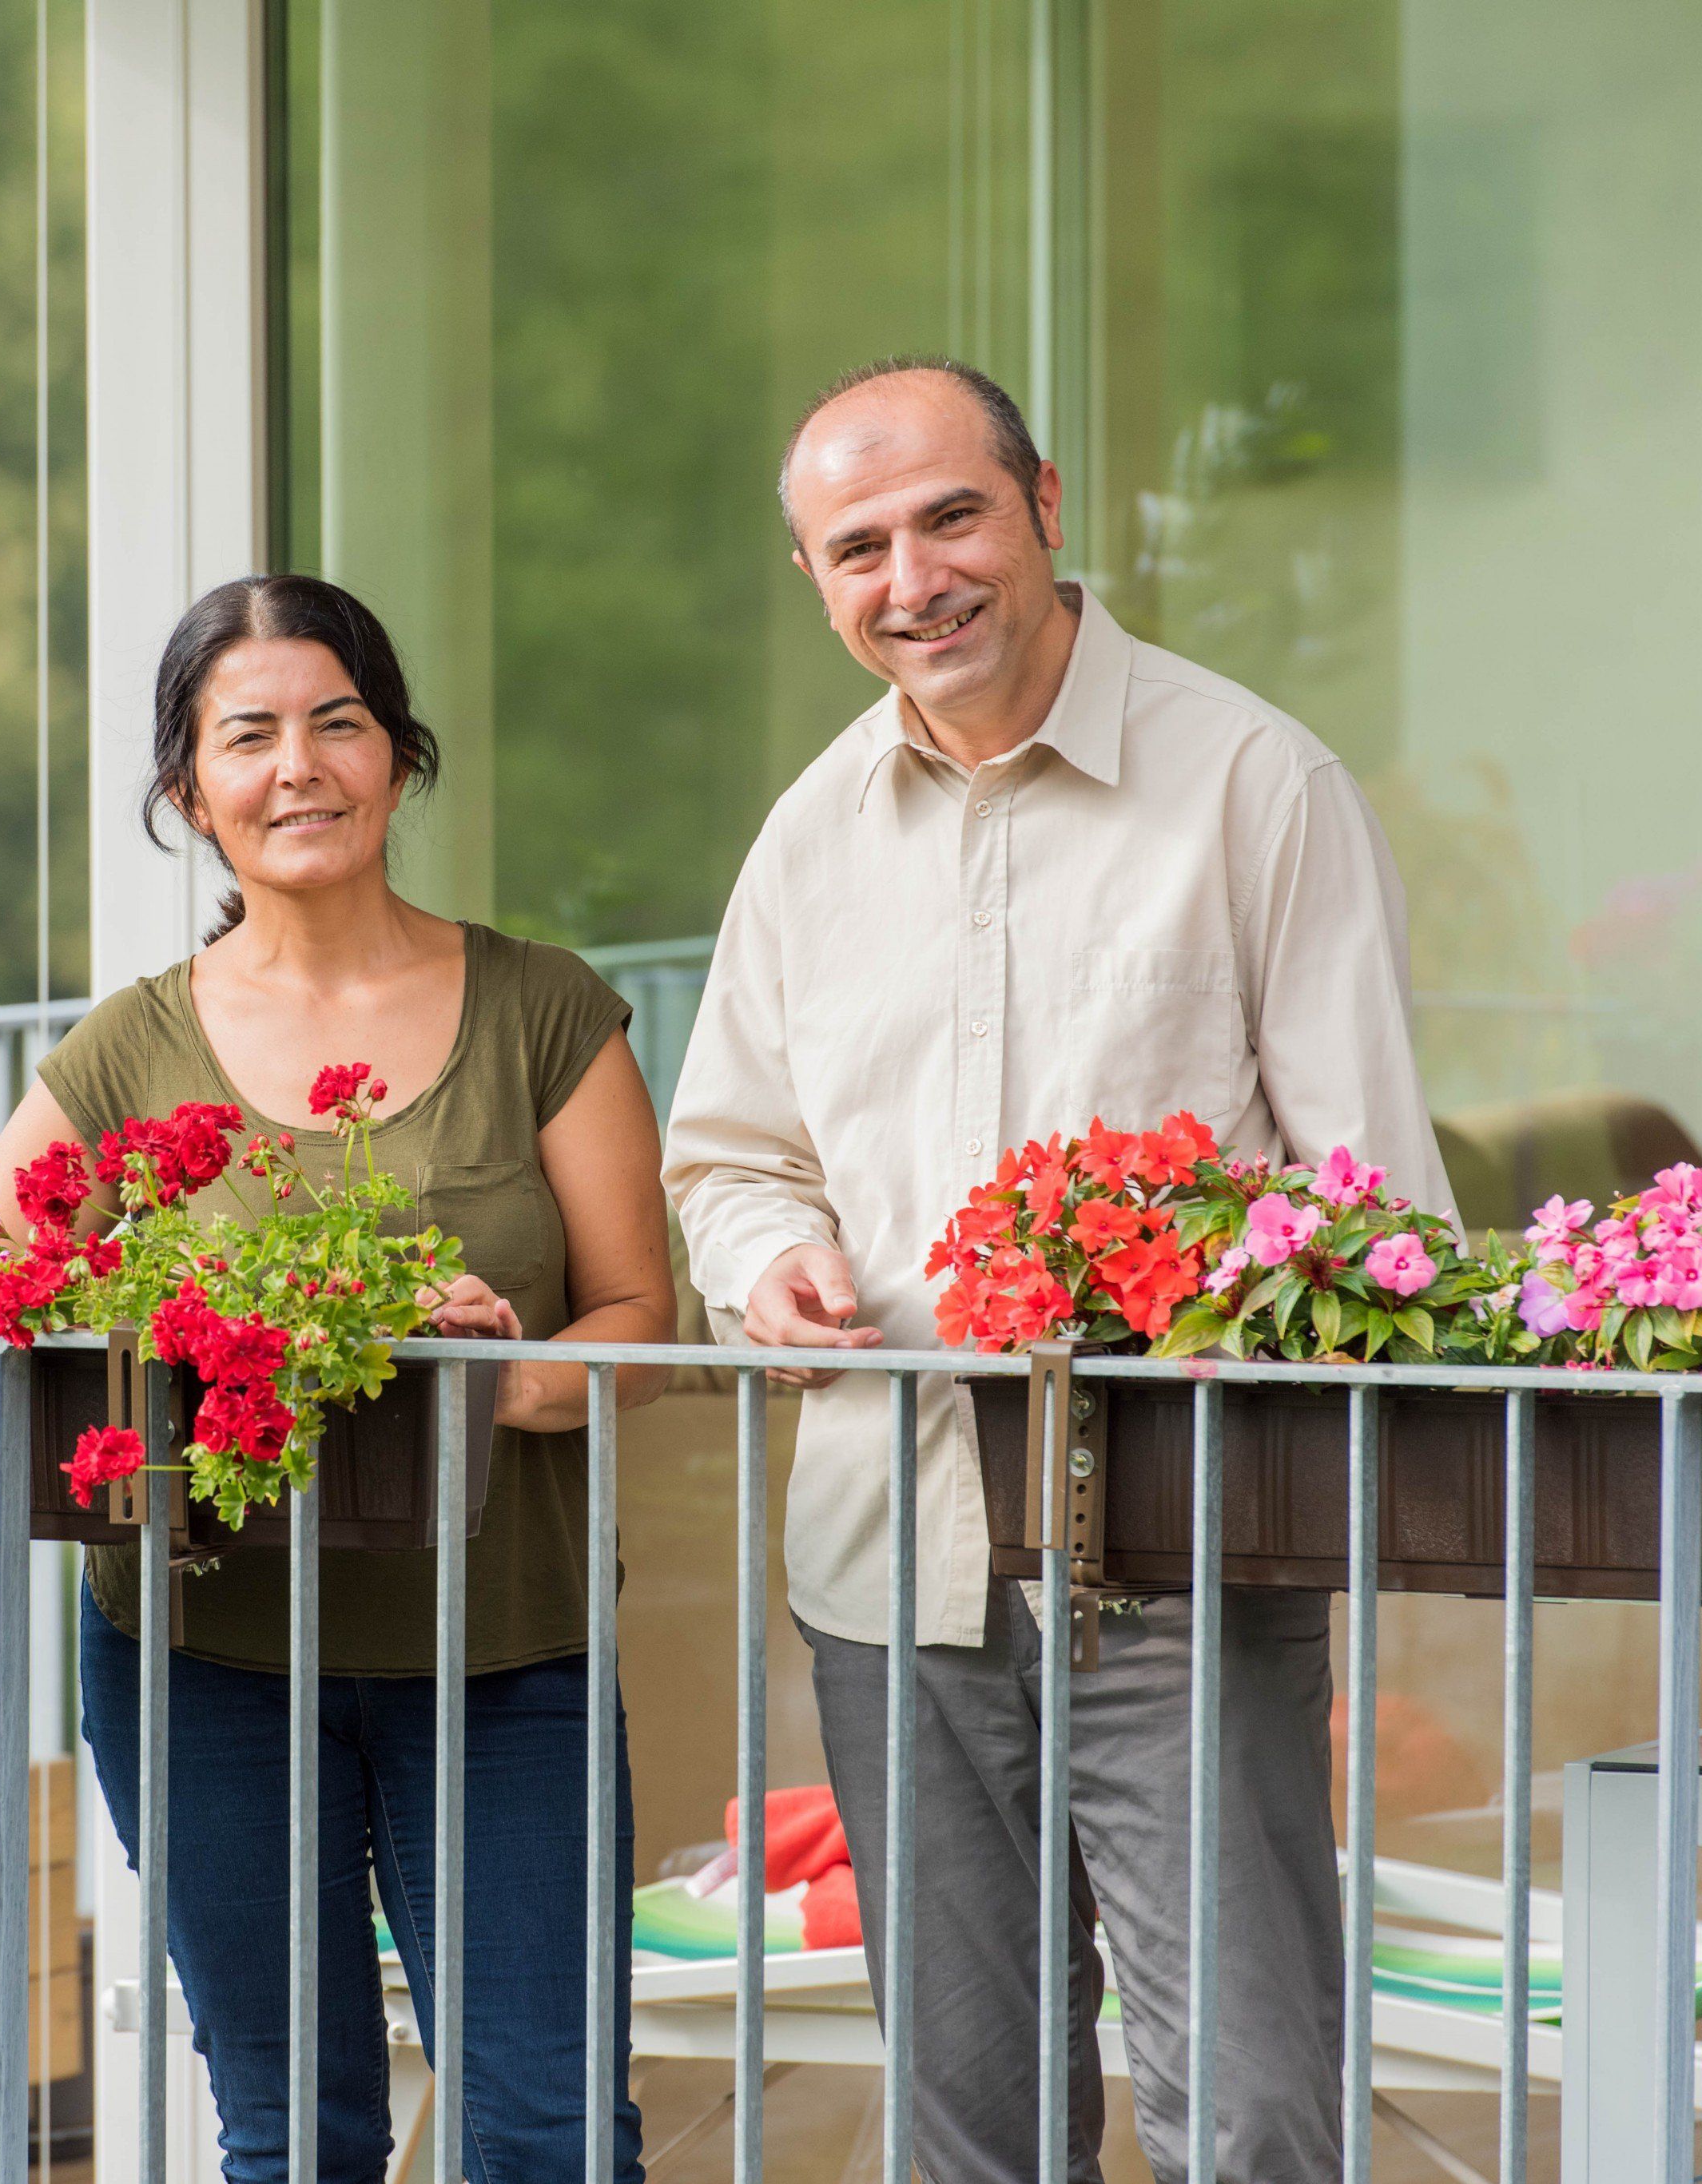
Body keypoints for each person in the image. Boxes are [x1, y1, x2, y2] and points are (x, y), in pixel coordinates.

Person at [662, 355, 1453, 2184]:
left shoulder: (1255, 783)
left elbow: (1370, 1206)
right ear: (814, 580)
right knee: (965, 2118)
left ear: (1044, 506)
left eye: (949, 515)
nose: (911, 575)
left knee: (1248, 2103)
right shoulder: (803, 841)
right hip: (889, 1552)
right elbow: (732, 1154)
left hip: (1177, 1547)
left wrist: (1188, 1310)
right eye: (855, 544)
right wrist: (773, 1261)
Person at [0, 572, 671, 2183]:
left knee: (549, 2137)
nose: (300, 766)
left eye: (337, 721)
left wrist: (473, 1386)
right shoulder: (124, 1051)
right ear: (187, 792)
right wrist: (249, 1318)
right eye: (250, 734)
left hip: (509, 1652)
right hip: (207, 1660)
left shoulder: (542, 1006)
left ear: (398, 757)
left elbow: (642, 1321)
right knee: (292, 2138)